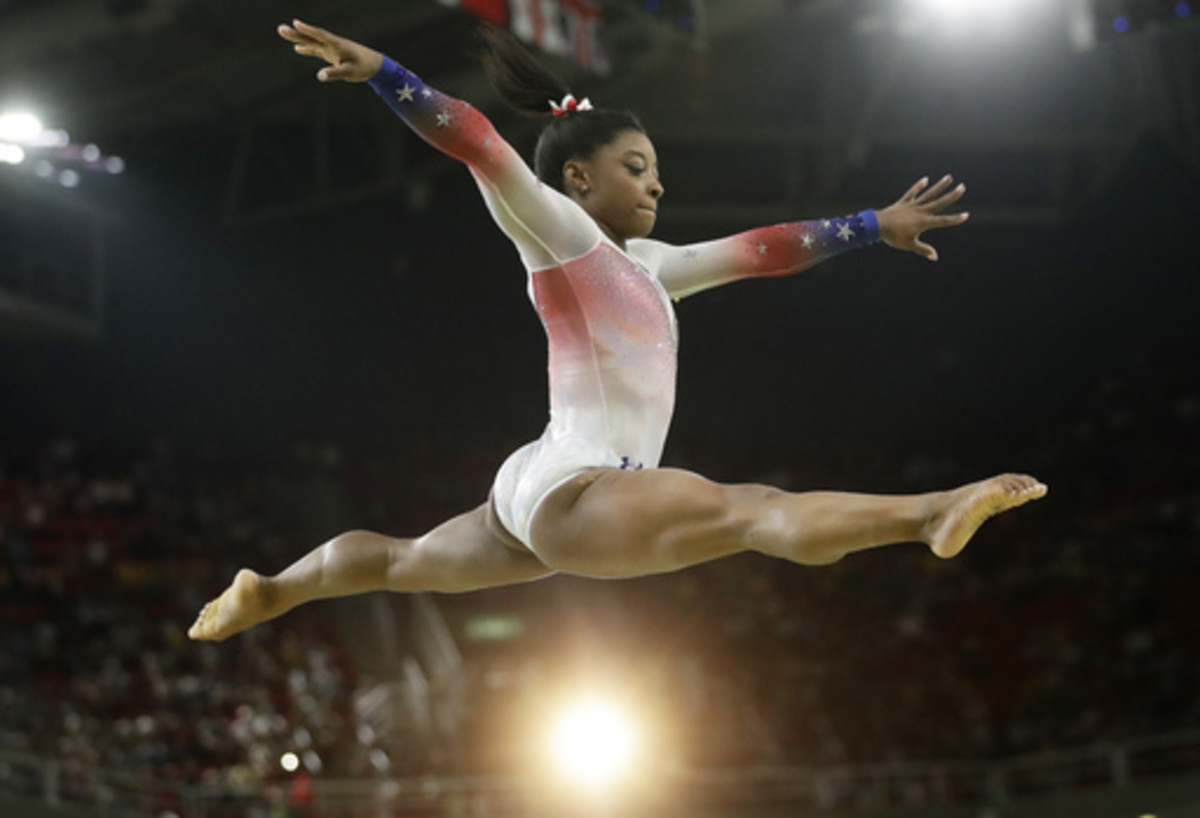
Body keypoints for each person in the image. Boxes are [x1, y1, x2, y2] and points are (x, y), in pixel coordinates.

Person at [189, 20, 1046, 642]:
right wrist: (388, 73)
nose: (656, 186)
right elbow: (481, 144)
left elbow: (759, 250)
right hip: (577, 488)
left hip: (542, 479)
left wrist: (870, 223)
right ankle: (930, 513)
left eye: (658, 173)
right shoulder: (561, 232)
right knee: (751, 510)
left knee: (403, 562)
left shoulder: (654, 267)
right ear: (576, 177)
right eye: (636, 169)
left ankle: (270, 591)